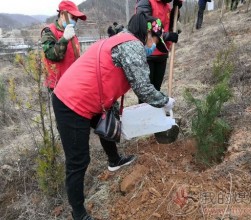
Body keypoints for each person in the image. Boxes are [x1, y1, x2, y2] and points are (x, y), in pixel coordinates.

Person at [52, 12, 176, 220]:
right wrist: (165, 101)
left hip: (85, 97)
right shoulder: (133, 44)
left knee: (106, 118)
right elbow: (143, 89)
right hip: (70, 103)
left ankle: (114, 160)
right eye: (155, 40)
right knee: (78, 160)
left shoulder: (120, 39)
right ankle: (79, 213)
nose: (154, 46)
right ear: (147, 34)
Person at [135, 0, 183, 102]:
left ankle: (154, 115)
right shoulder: (145, 2)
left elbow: (170, 23)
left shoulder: (166, 5)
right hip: (147, 55)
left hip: (162, 54)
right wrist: (167, 36)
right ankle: (143, 115)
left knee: (156, 90)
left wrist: (176, 8)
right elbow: (144, 25)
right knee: (145, 93)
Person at [41, 0, 86, 91]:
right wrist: (64, 39)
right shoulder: (49, 32)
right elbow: (51, 55)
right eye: (72, 17)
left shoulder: (72, 33)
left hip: (71, 82)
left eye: (76, 19)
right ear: (62, 14)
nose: (75, 21)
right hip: (56, 85)